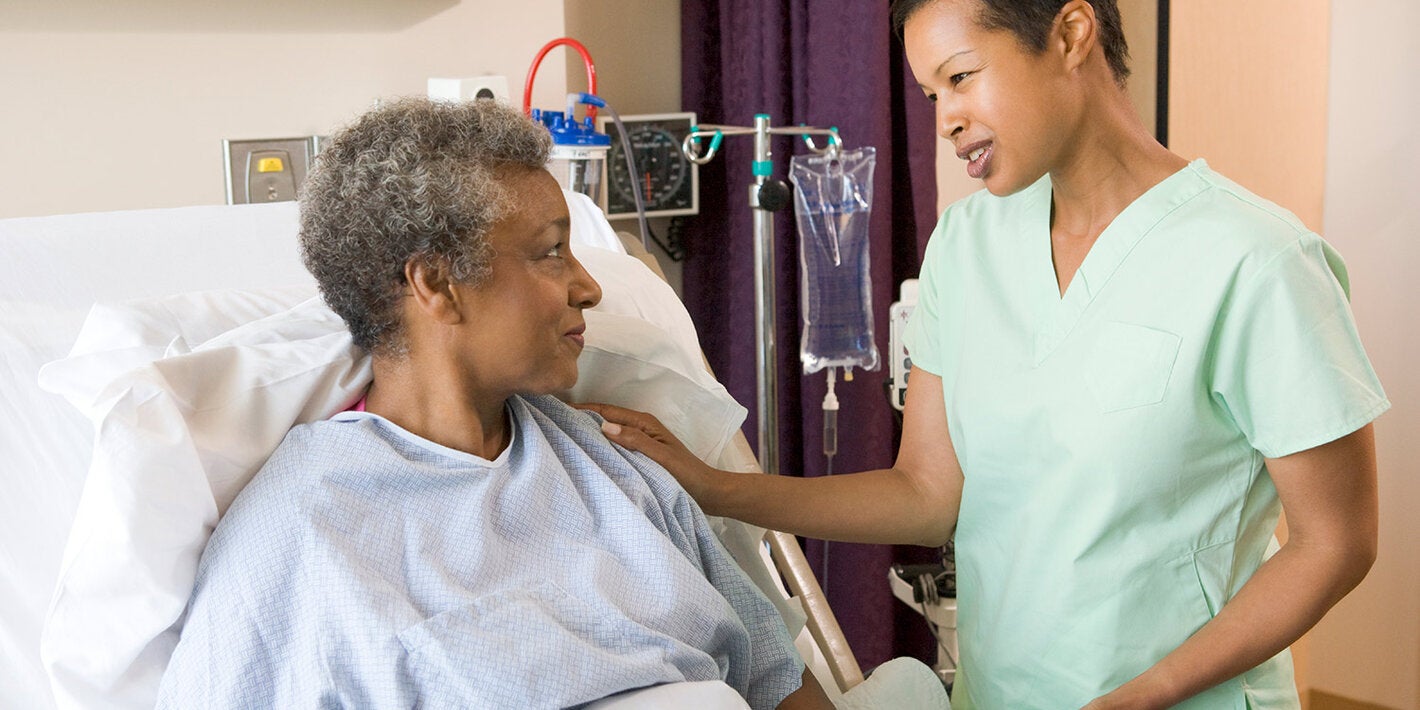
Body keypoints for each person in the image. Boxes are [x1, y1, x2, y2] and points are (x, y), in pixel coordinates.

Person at [586, 1, 1388, 708]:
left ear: (1071, 35)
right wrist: (720, 489)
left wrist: (1147, 695)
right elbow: (926, 493)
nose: (945, 118)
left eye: (962, 76)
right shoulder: (967, 245)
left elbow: (1335, 544)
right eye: (932, 93)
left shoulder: (1256, 261)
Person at [154, 97, 831, 709]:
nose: (589, 287)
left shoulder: (614, 464)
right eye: (551, 253)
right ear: (436, 284)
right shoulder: (301, 533)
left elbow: (776, 680)